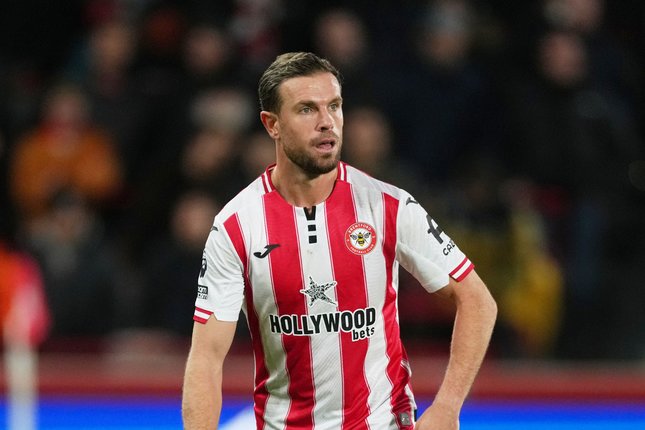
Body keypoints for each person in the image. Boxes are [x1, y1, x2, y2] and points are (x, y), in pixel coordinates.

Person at [182, 52, 497, 429]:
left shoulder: (387, 206)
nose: (326, 122)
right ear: (272, 124)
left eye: (334, 106)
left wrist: (447, 406)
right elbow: (206, 357)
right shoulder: (236, 226)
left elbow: (477, 300)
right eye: (307, 109)